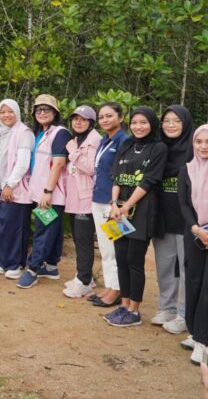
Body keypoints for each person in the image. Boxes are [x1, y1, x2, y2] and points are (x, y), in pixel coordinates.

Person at [103, 107, 167, 327]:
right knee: (121, 259)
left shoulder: (158, 148)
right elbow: (116, 177)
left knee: (134, 261)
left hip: (143, 211)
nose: (138, 126)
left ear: (152, 124)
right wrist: (114, 204)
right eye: (135, 122)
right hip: (119, 212)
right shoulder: (127, 145)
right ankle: (124, 305)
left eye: (144, 122)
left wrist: (127, 205)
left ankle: (134, 311)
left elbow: (149, 181)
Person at [17, 94, 72, 289]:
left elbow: (58, 164)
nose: (42, 113)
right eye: (38, 110)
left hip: (51, 193)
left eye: (46, 109)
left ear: (55, 113)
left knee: (44, 231)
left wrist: (48, 191)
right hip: (40, 190)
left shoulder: (60, 133)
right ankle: (51, 266)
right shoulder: (41, 133)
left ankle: (32, 269)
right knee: (53, 230)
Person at [152, 105, 193, 333]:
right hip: (162, 217)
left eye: (176, 121)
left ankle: (184, 315)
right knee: (165, 264)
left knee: (187, 268)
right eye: (166, 120)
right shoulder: (159, 148)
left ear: (185, 123)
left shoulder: (194, 149)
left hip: (187, 219)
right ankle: (166, 307)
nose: (170, 125)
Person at [89, 102, 129, 308]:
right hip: (98, 199)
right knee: (105, 249)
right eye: (101, 117)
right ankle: (110, 287)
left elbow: (123, 174)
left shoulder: (125, 141)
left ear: (120, 117)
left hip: (112, 204)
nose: (104, 120)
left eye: (109, 116)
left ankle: (117, 289)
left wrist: (117, 203)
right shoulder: (105, 140)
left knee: (116, 248)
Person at [62, 106, 102, 298]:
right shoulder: (78, 140)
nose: (78, 122)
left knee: (84, 241)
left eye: (83, 119)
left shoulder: (93, 141)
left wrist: (73, 152)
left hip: (85, 199)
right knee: (78, 239)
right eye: (75, 119)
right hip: (74, 197)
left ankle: (84, 281)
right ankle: (83, 276)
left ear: (91, 122)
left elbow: (91, 168)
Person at [0, 99, 33, 280]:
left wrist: (10, 184)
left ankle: (15, 264)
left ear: (17, 112)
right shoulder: (2, 133)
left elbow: (23, 162)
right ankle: (3, 261)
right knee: (4, 225)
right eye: (3, 112)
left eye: (10, 112)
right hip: (2, 186)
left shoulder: (24, 132)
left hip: (17, 187)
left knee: (16, 227)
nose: (6, 115)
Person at [178, 124, 208, 364]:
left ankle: (203, 340)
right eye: (199, 142)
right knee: (194, 282)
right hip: (194, 233)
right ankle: (194, 330)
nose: (203, 146)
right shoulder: (187, 169)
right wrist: (197, 228)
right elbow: (184, 204)